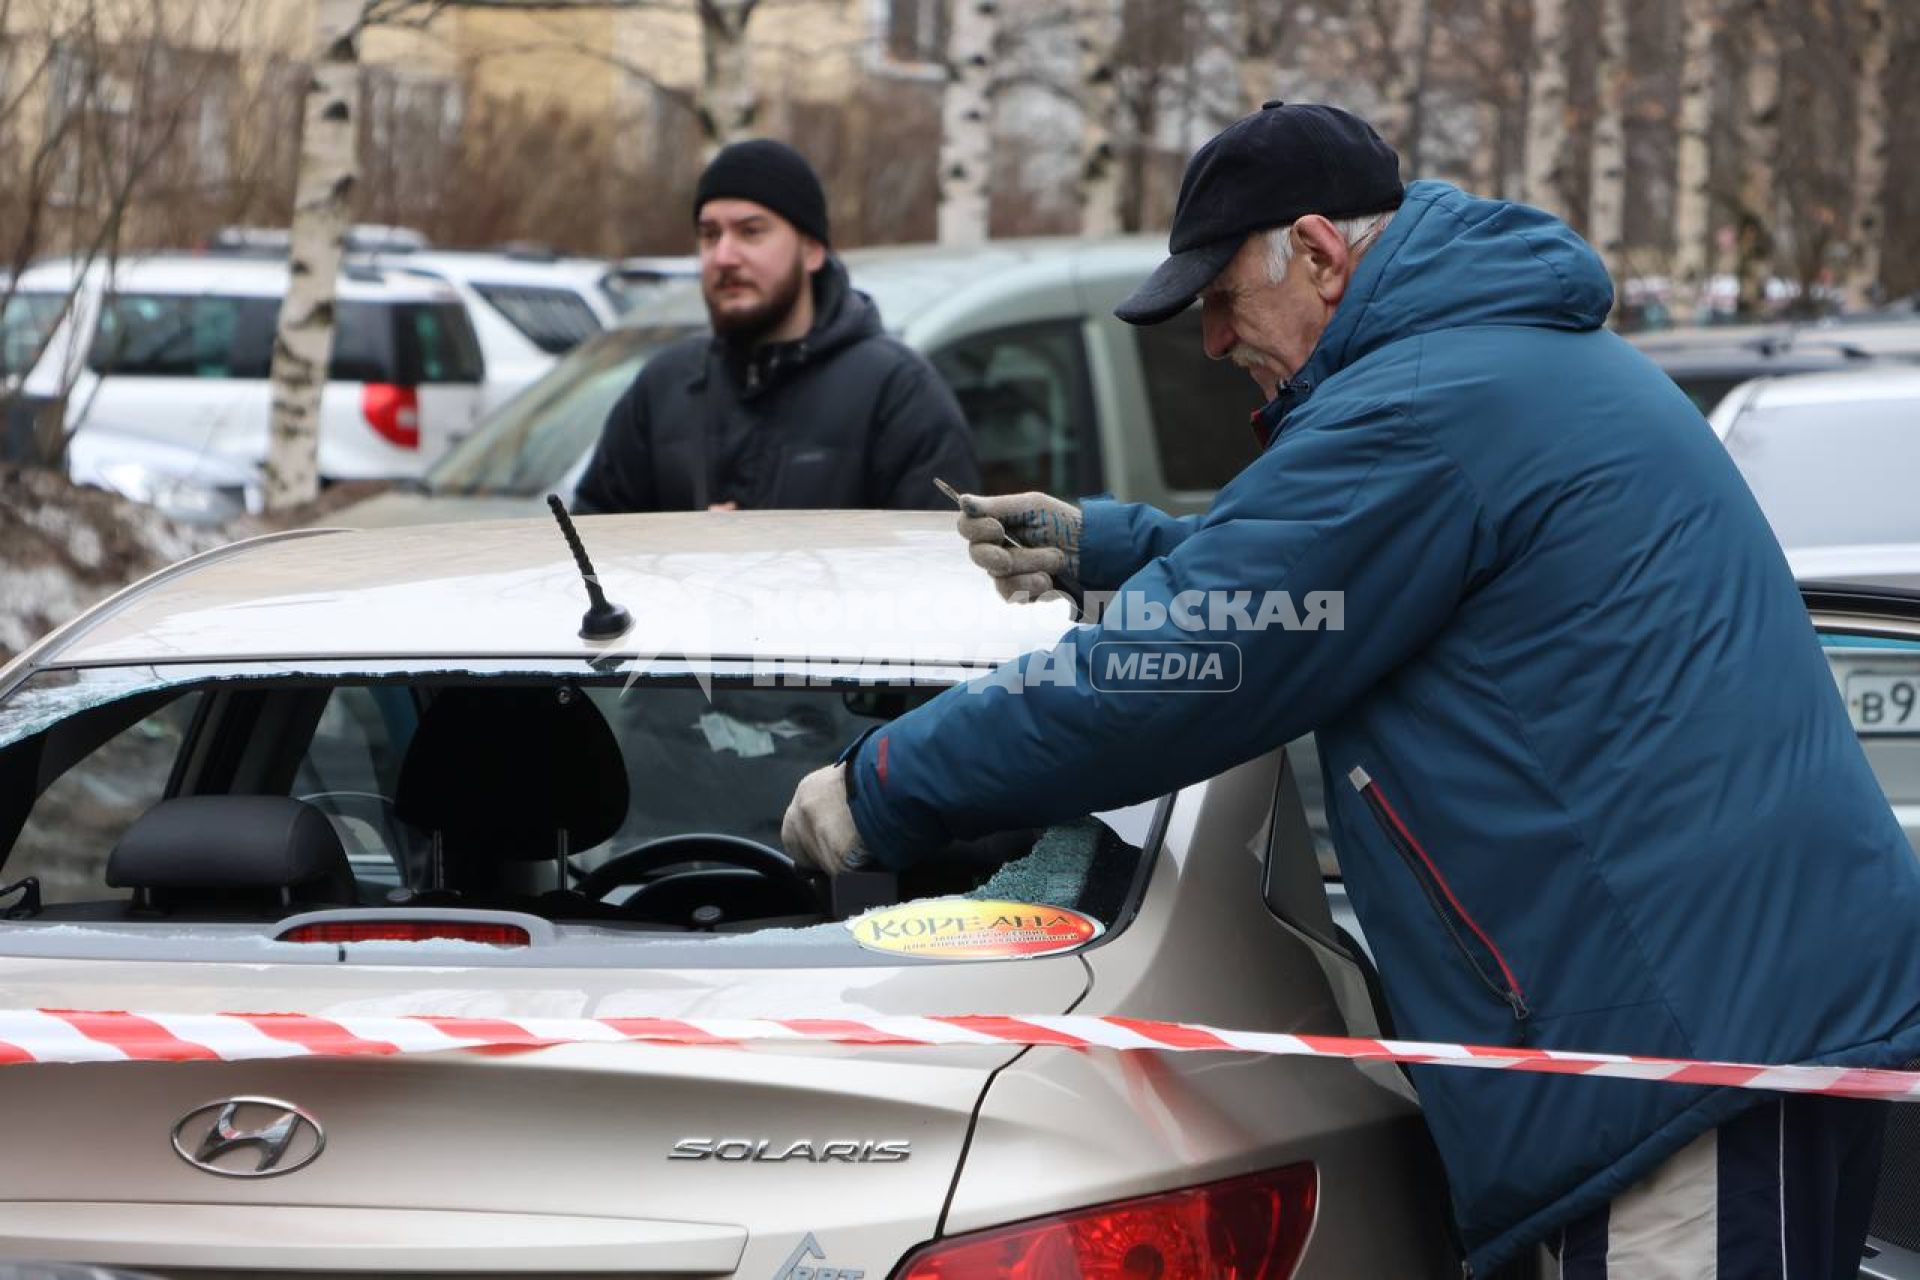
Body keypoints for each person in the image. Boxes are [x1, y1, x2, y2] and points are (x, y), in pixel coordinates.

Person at [780, 102, 1920, 1277]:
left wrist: (883, 785)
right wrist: (1117, 546)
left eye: (1221, 296)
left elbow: (1179, 673)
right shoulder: (1481, 361)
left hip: (1672, 1043)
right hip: (1738, 1003)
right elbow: (1342, 576)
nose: (1214, 341)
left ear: (1320, 254)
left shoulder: (1419, 405)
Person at [572, 139, 977, 513]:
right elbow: (592, 552)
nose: (724, 256)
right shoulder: (664, 387)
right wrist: (683, 553)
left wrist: (764, 561)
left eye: (751, 232)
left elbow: (931, 566)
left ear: (812, 250)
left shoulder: (898, 392)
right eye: (710, 235)